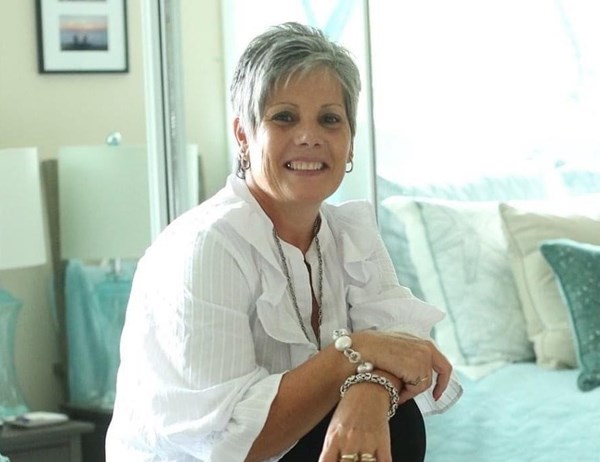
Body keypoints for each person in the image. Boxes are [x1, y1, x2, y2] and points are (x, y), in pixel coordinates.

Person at [106, 21, 462, 462]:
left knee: (395, 419)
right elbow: (233, 444)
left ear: (350, 142)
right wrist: (357, 353)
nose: (309, 137)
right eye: (284, 117)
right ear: (243, 135)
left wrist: (369, 388)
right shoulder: (207, 247)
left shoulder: (348, 234)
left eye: (330, 119)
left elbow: (406, 350)